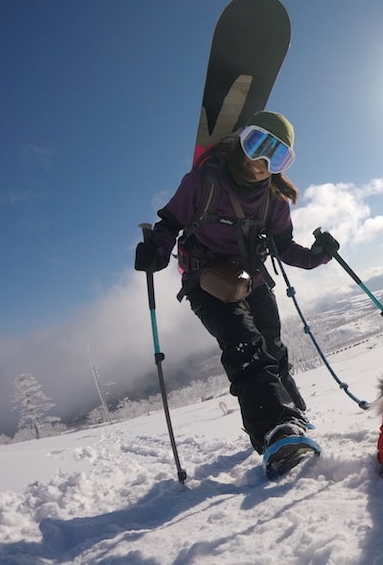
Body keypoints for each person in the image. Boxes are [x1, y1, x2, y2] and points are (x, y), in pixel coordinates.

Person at [134, 111, 338, 470]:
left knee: (272, 347)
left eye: (276, 157)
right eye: (258, 144)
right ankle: (275, 430)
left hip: (252, 279)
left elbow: (285, 246)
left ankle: (292, 415)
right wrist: (157, 251)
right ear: (242, 139)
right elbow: (170, 223)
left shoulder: (273, 200)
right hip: (206, 282)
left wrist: (318, 256)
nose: (262, 162)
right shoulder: (202, 182)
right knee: (245, 346)